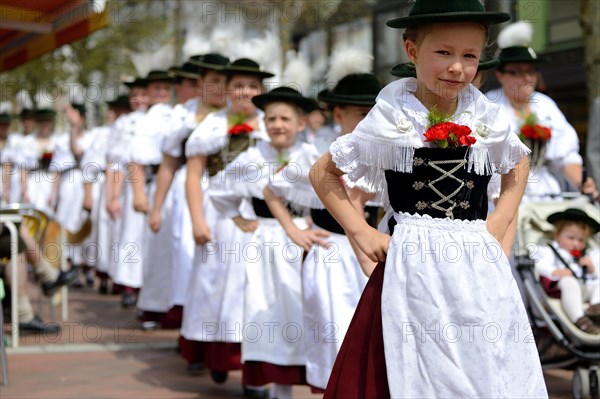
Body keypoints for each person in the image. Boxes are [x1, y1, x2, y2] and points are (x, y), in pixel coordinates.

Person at [309, 1, 548, 397]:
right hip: (412, 265)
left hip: (476, 266)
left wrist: (496, 225)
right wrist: (362, 232)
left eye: (469, 55)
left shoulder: (487, 117)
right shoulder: (390, 116)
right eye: (444, 52)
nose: (457, 67)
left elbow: (518, 165)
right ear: (412, 50)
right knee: (413, 365)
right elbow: (322, 173)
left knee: (483, 363)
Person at [182, 58, 272, 390]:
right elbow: (193, 177)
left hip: (263, 215)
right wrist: (197, 220)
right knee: (217, 283)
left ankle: (255, 369)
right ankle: (219, 355)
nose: (244, 92)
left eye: (252, 86)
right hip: (220, 216)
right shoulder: (210, 126)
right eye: (238, 85)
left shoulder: (271, 122)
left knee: (258, 286)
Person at [533, 208, 600, 334]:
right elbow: (539, 264)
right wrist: (554, 271)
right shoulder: (550, 250)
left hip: (585, 288)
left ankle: (596, 307)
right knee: (569, 281)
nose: (576, 244)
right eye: (570, 238)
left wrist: (592, 269)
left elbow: (596, 276)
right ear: (557, 235)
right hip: (564, 289)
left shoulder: (588, 254)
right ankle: (579, 319)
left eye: (581, 240)